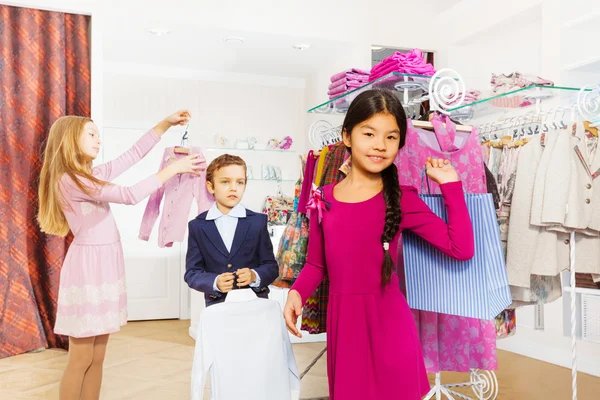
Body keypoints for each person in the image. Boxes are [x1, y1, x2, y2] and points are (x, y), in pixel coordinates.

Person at [282, 89, 475, 400]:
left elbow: (461, 248)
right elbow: (316, 264)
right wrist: (296, 293)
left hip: (391, 327)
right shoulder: (324, 198)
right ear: (347, 135)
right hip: (345, 328)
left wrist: (451, 186)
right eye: (369, 133)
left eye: (391, 137)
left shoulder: (402, 197)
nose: (380, 145)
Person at [37, 110, 204, 400]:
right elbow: (129, 195)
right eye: (91, 134)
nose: (98, 140)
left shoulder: (92, 174)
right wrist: (174, 169)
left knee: (98, 356)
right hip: (88, 269)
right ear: (69, 139)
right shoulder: (71, 180)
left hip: (106, 264)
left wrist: (164, 123)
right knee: (81, 357)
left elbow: (132, 155)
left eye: (98, 135)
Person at [185, 154, 278, 306]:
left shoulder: (258, 222)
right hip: (218, 307)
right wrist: (214, 282)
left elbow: (271, 267)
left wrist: (254, 276)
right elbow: (192, 273)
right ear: (210, 186)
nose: (233, 188)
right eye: (225, 182)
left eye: (240, 182)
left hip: (255, 304)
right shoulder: (197, 226)